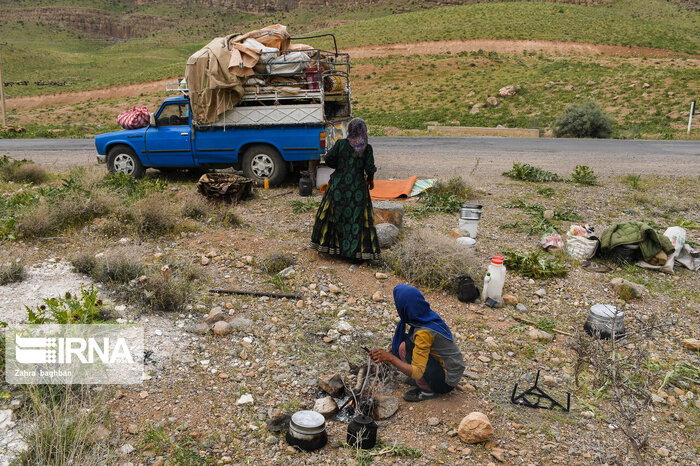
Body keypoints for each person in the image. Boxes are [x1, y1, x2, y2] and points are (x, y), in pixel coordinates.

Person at [371, 285, 465, 402]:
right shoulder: (425, 315)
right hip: (452, 370)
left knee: (405, 349)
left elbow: (417, 372)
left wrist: (390, 358)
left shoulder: (424, 333)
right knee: (405, 345)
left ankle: (427, 391)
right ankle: (425, 381)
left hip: (447, 382)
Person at [310, 118, 381, 260]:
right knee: (356, 218)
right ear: (364, 131)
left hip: (338, 186)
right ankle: (354, 253)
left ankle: (333, 249)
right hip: (358, 189)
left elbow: (328, 159)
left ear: (349, 130)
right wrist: (370, 180)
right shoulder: (367, 148)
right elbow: (370, 168)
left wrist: (342, 167)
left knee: (336, 215)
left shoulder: (341, 144)